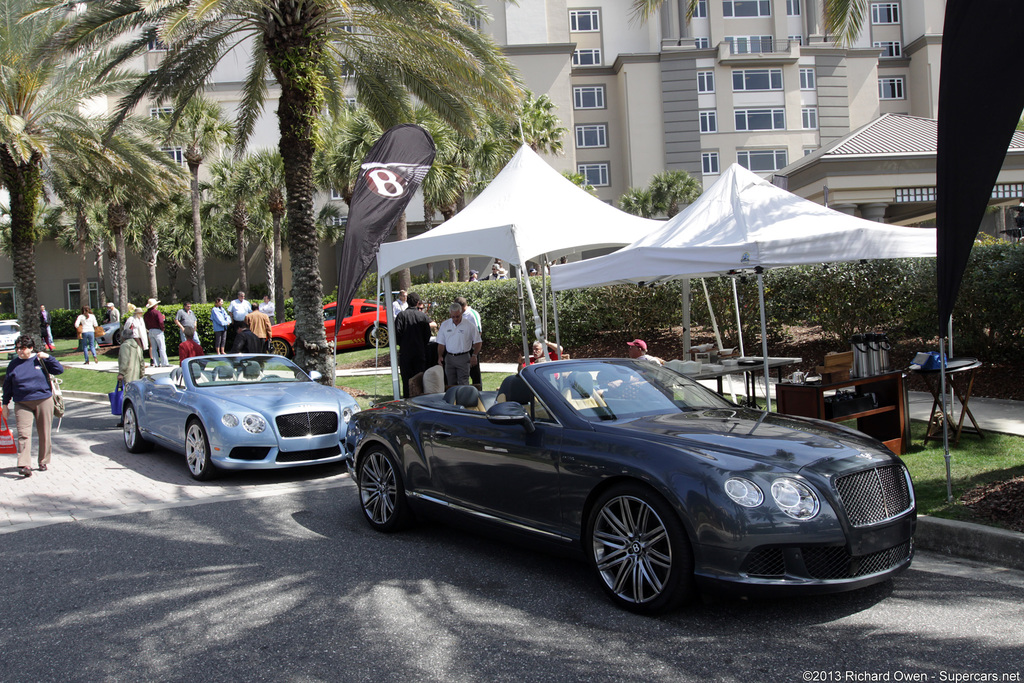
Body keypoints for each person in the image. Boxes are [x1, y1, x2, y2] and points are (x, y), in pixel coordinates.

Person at [2, 335, 63, 477]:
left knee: (44, 432)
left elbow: (59, 370)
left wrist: (48, 357)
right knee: (23, 434)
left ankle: (43, 460)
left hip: (43, 400)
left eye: (22, 348)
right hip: (22, 402)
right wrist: (5, 404)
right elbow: (7, 386)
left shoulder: (40, 360)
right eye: (17, 348)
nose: (19, 351)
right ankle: (24, 464)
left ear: (30, 348)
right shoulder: (13, 364)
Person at [395, 292, 432, 398]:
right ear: (417, 302)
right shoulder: (423, 316)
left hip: (405, 352)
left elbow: (397, 334)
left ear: (407, 301)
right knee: (419, 378)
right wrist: (422, 344)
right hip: (420, 352)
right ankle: (420, 399)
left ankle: (407, 399)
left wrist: (403, 343)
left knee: (406, 379)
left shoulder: (401, 316)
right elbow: (427, 335)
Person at [435, 301, 482, 387]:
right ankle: (453, 400)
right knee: (450, 384)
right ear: (450, 315)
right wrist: (440, 356)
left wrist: (474, 355)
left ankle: (464, 400)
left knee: (463, 383)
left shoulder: (469, 325)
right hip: (449, 358)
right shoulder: (445, 325)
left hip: (464, 358)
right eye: (453, 317)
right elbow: (441, 343)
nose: (456, 319)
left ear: (461, 313)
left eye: (458, 316)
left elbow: (478, 341)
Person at [455, 296, 482, 386]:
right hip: (461, 348)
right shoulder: (460, 315)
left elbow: (479, 331)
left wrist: (474, 350)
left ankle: (478, 392)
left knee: (474, 374)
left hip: (471, 348)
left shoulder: (472, 314)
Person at [144, 298, 169, 367]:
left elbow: (146, 323)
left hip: (150, 330)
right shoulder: (157, 312)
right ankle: (164, 363)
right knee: (162, 347)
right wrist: (162, 328)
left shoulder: (146, 314)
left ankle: (156, 363)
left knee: (154, 348)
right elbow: (160, 322)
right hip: (157, 330)